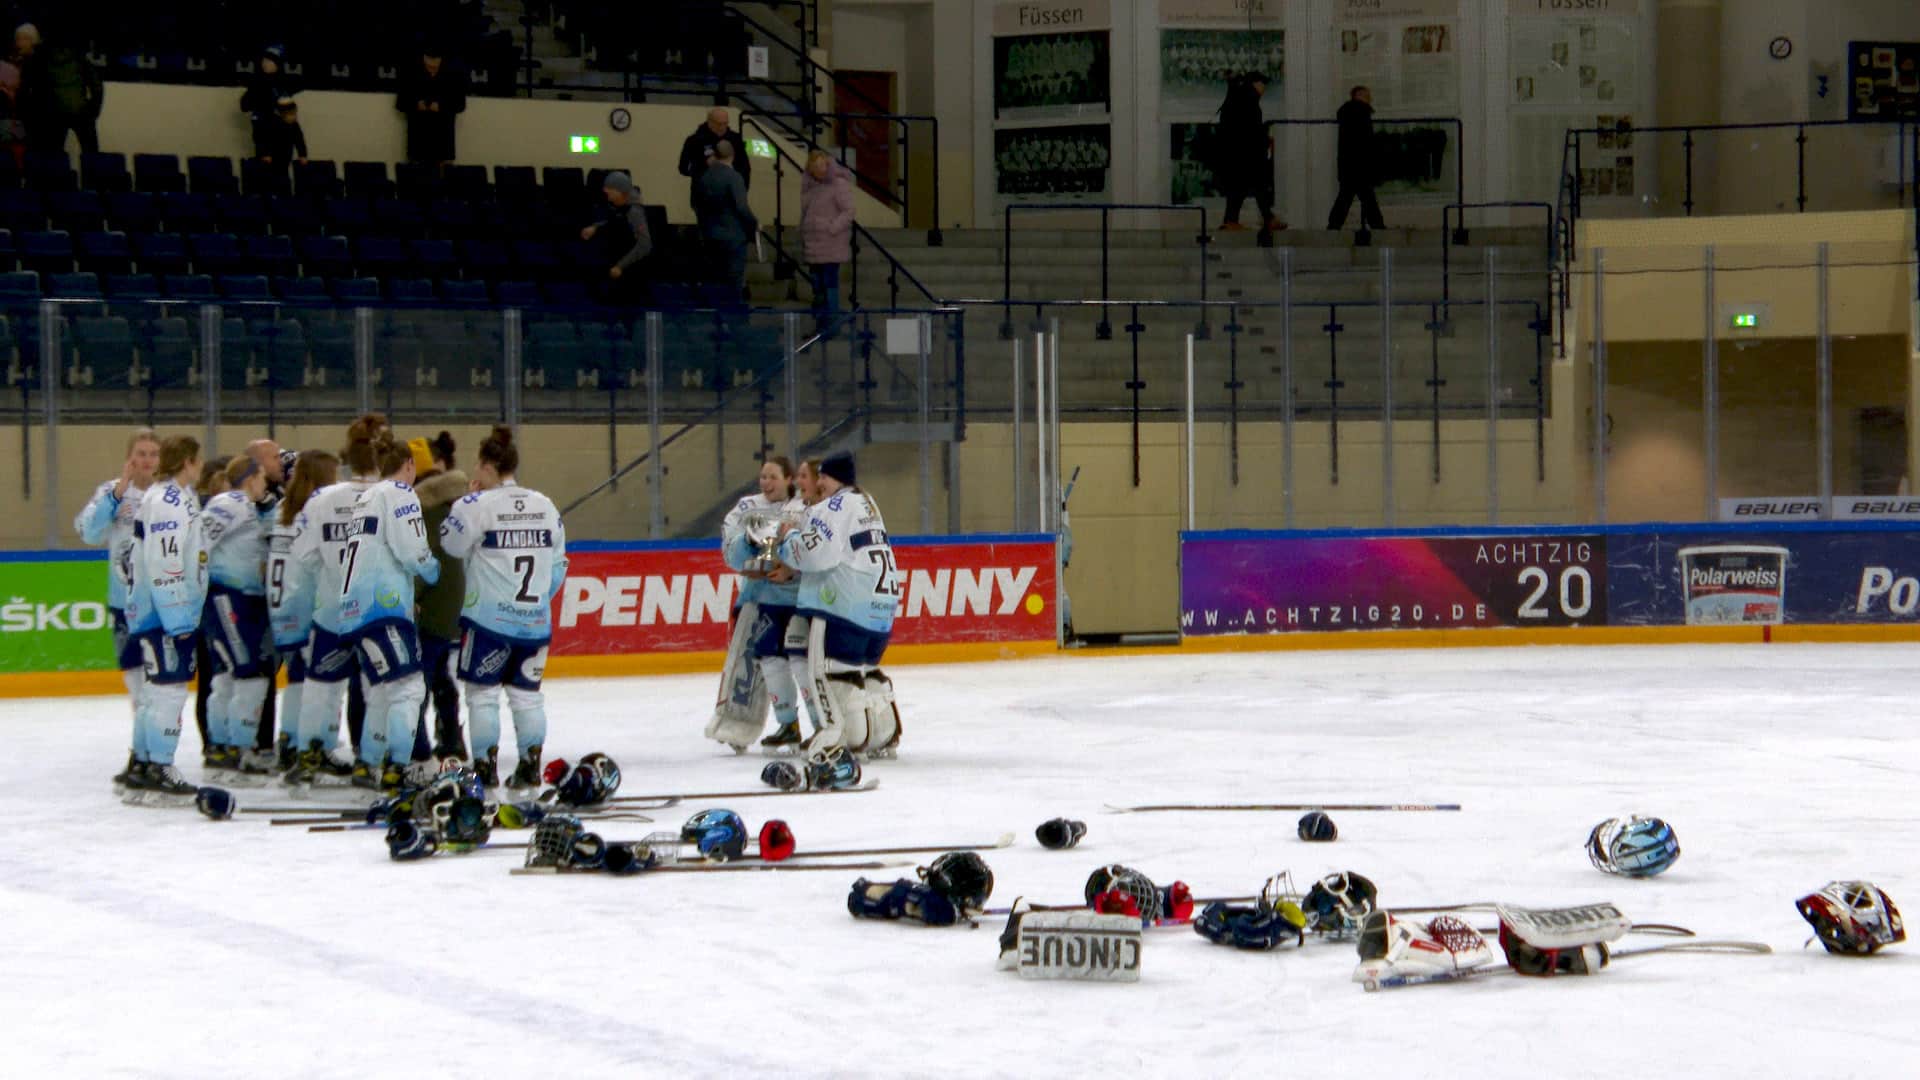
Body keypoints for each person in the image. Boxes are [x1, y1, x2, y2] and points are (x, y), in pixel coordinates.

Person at [440, 426, 567, 790]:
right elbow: (558, 567)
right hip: (535, 623)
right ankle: (530, 765)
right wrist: (537, 602)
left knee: (482, 696)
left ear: (487, 467)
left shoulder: (475, 505)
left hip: (489, 624)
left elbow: (451, 544)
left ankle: (484, 767)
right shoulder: (545, 505)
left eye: (477, 467)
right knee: (527, 698)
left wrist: (464, 501)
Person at [774, 452, 902, 759]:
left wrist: (787, 538)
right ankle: (882, 736)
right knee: (867, 673)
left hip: (843, 607)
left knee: (833, 675)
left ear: (835, 478)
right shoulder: (866, 502)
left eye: (823, 477)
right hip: (881, 608)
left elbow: (817, 554)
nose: (819, 483)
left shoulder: (834, 506)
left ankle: (840, 739)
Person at [332, 431, 440, 791]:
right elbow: (412, 550)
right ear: (409, 465)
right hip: (383, 607)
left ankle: (369, 764)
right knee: (408, 689)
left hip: (354, 609)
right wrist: (432, 569)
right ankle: (399, 767)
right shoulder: (400, 493)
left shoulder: (366, 497)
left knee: (379, 689)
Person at [286, 414, 387, 785]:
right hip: (378, 613)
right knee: (376, 688)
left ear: (346, 460)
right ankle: (370, 761)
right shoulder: (394, 498)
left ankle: (311, 753)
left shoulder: (322, 500)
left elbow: (303, 555)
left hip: (331, 611)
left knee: (321, 684)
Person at [120, 435, 205, 799]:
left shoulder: (172, 498)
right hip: (164, 614)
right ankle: (159, 765)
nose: (201, 467)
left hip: (156, 611)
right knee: (169, 690)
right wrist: (179, 619)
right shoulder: (169, 502)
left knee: (155, 692)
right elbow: (165, 563)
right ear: (187, 461)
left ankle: (142, 762)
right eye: (198, 460)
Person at [707, 457, 808, 754]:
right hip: (755, 599)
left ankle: (816, 725)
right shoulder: (746, 507)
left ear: (789, 479)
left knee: (801, 663)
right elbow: (730, 552)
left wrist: (792, 568)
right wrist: (748, 547)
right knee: (749, 662)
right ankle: (737, 724)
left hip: (798, 600)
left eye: (773, 477)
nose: (766, 483)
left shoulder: (805, 507)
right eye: (763, 477)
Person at [78, 428, 161, 786]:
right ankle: (140, 753)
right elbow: (88, 531)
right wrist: (116, 493)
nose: (147, 460)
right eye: (140, 453)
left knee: (160, 686)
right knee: (137, 685)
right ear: (129, 457)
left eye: (153, 454)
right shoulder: (111, 491)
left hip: (163, 604)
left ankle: (155, 753)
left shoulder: (169, 495)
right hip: (124, 604)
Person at [198, 454, 278, 776]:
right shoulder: (230, 501)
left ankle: (223, 746)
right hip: (230, 598)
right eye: (261, 476)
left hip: (245, 600)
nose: (265, 483)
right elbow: (199, 539)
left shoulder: (251, 507)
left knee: (230, 675)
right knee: (250, 674)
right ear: (249, 478)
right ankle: (237, 747)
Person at [267, 450, 336, 771]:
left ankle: (289, 740)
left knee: (297, 677)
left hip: (282, 606)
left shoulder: (283, 508)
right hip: (309, 604)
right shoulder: (316, 510)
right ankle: (313, 747)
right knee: (319, 681)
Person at [409, 432, 467, 760]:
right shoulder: (452, 505)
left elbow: (425, 561)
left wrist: (410, 594)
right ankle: (450, 736)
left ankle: (418, 747)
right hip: (450, 606)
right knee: (440, 673)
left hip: (432, 607)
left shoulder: (426, 510)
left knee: (420, 679)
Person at [191, 456, 232, 756]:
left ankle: (214, 740)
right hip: (210, 605)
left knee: (213, 675)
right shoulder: (209, 513)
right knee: (213, 675)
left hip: (207, 604)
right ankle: (214, 740)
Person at [1215, 71, 1284, 233]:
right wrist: (1264, 140)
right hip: (1247, 153)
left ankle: (1233, 221)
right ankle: (1264, 219)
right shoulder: (1249, 100)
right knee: (1255, 186)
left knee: (1239, 188)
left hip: (1235, 153)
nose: (1264, 89)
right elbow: (1251, 130)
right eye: (1262, 85)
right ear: (1254, 83)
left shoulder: (1236, 97)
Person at [18, 23, 101, 157]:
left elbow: (25, 90)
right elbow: (96, 85)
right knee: (93, 155)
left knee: (54, 157)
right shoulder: (78, 57)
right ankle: (96, 177)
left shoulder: (38, 57)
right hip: (80, 109)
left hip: (54, 112)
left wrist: (28, 116)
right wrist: (94, 110)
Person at [693, 139, 758, 298]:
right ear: (732, 155)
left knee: (716, 282)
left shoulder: (704, 177)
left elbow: (697, 205)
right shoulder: (734, 177)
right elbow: (741, 207)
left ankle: (719, 320)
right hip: (733, 237)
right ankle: (735, 320)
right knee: (734, 283)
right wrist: (754, 223)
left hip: (710, 235)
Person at [800, 150, 854, 327]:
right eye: (814, 166)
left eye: (822, 165)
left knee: (829, 283)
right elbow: (806, 213)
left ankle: (830, 323)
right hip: (813, 244)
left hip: (831, 243)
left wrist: (832, 227)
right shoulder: (811, 188)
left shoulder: (838, 185)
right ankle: (820, 322)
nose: (819, 170)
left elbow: (848, 211)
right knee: (817, 285)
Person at [579, 171, 652, 298]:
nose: (605, 191)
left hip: (629, 268)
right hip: (615, 257)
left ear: (620, 191)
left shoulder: (634, 212)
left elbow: (644, 245)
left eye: (610, 189)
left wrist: (620, 266)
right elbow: (613, 220)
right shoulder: (618, 205)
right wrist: (595, 227)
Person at [1327, 85, 1385, 233]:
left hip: (1348, 165)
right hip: (1360, 165)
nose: (1370, 98)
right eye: (1367, 95)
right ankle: (1378, 228)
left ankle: (1333, 227)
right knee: (1366, 199)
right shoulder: (1362, 113)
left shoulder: (1347, 113)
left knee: (1347, 198)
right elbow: (1366, 143)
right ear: (1359, 95)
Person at [395, 48, 465, 166]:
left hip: (443, 141)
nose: (431, 69)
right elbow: (400, 103)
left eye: (434, 67)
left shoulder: (452, 74)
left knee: (443, 180)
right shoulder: (411, 73)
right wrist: (416, 105)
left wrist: (441, 107)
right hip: (418, 140)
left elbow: (460, 104)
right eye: (428, 66)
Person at [677, 107, 750, 203]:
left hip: (730, 195)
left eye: (725, 123)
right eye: (719, 124)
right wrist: (704, 164)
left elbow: (744, 167)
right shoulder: (695, 140)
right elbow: (683, 168)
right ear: (709, 122)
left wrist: (742, 189)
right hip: (704, 196)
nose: (722, 127)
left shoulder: (735, 139)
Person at [240, 45, 296, 162]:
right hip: (264, 138)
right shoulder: (257, 82)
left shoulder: (283, 84)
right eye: (264, 60)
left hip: (283, 139)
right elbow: (245, 106)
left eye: (269, 61)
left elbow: (291, 118)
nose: (265, 63)